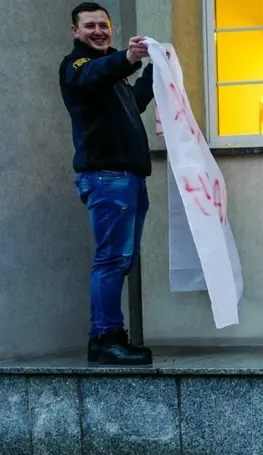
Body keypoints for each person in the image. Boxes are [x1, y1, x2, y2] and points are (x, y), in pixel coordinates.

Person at [59, 2, 156, 366]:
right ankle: (105, 339)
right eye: (89, 26)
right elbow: (94, 74)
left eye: (103, 25)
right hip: (107, 178)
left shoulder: (113, 73)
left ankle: (109, 336)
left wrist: (153, 73)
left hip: (127, 178)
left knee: (121, 259)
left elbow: (134, 102)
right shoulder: (78, 66)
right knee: (112, 259)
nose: (98, 31)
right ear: (75, 32)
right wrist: (129, 59)